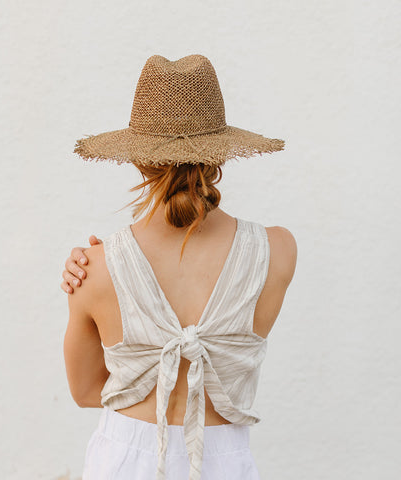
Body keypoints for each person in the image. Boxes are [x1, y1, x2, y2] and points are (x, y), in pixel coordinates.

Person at [62, 54, 297, 480]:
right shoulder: (278, 248)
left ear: (138, 159)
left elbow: (85, 392)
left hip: (124, 459)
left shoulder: (92, 267)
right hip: (223, 460)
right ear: (219, 152)